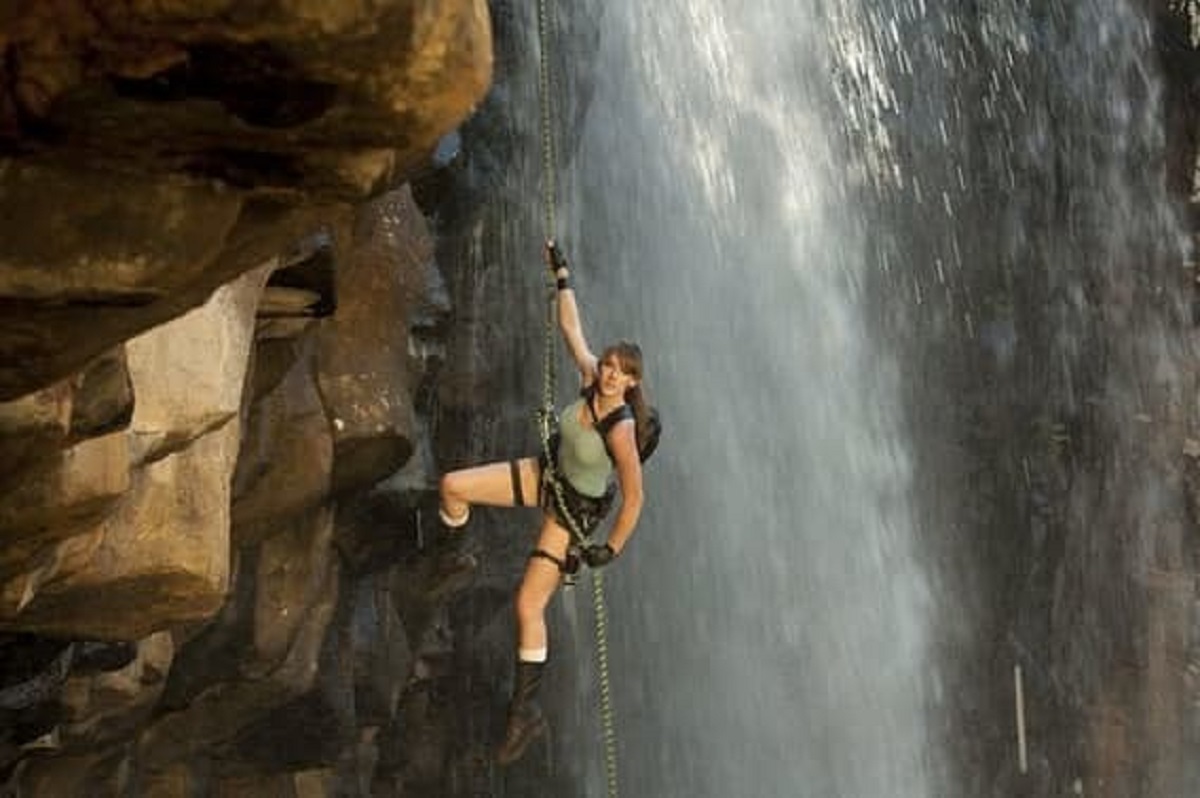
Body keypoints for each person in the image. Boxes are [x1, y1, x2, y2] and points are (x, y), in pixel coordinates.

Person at [438, 239, 650, 765]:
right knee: (452, 486)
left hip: (569, 515)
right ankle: (452, 554)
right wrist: (563, 276)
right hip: (542, 474)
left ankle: (524, 715)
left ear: (631, 384)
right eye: (609, 365)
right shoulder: (586, 379)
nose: (609, 373)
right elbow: (571, 329)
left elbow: (635, 498)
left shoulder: (621, 430)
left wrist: (610, 550)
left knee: (527, 606)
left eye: (620, 371)